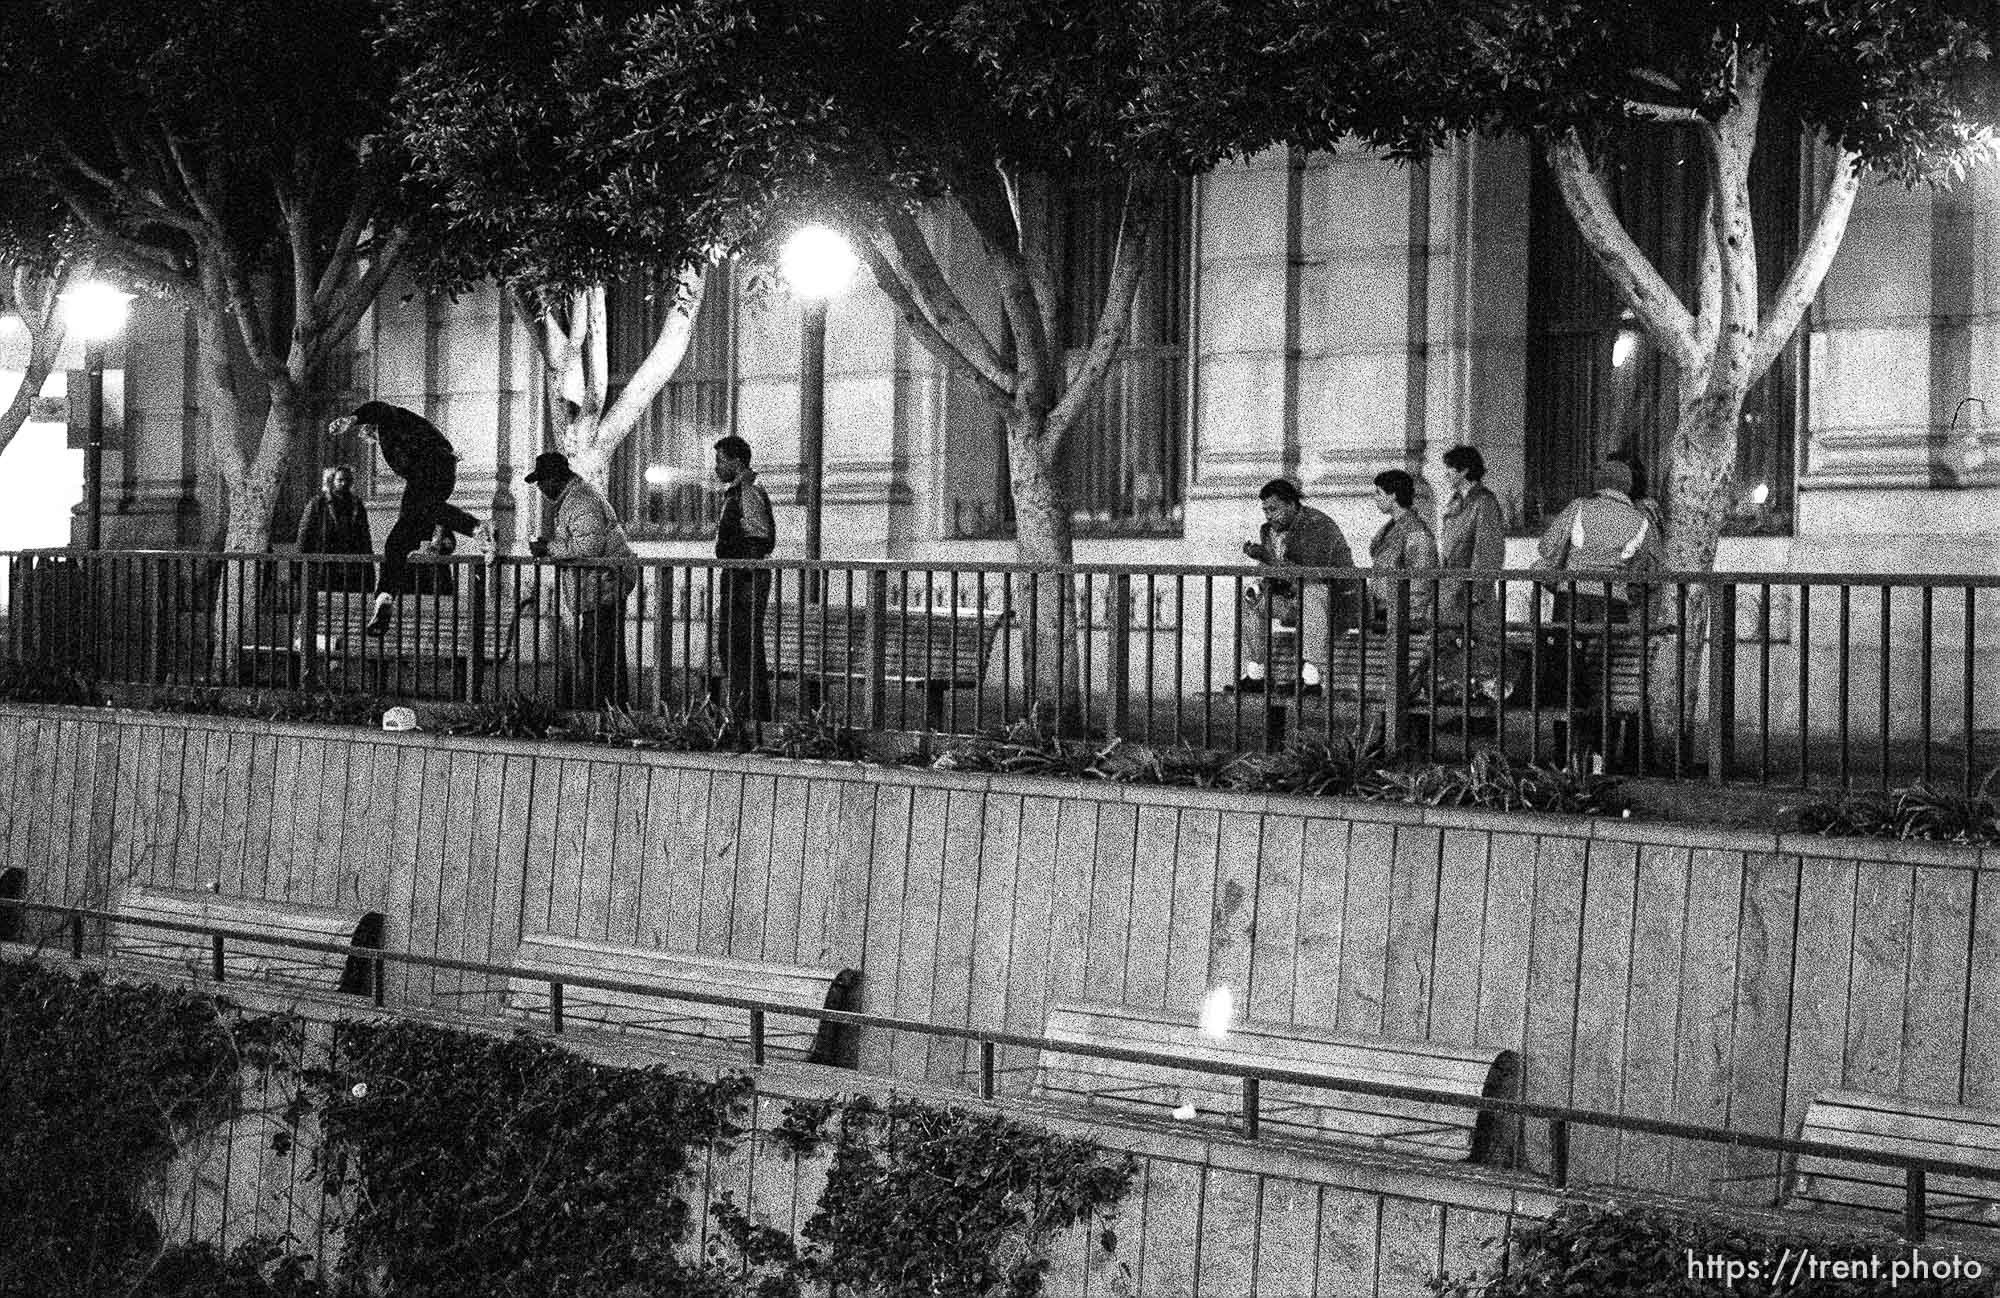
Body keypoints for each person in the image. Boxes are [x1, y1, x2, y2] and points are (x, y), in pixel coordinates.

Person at [325, 400, 494, 635]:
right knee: (398, 540)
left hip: (433, 467)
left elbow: (379, 408)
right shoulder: (393, 438)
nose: (369, 437)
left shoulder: (391, 421)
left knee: (426, 508)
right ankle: (384, 598)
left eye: (368, 432)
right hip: (425, 476)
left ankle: (477, 527)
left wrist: (351, 420)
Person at [526, 450, 636, 709]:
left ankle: (601, 709)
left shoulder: (580, 501)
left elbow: (589, 548)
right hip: (601, 585)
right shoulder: (575, 498)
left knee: (599, 651)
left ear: (556, 478)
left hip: (602, 585)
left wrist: (549, 548)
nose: (540, 488)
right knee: (602, 650)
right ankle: (608, 707)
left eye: (542, 481)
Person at [1235, 478, 1355, 694]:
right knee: (1250, 598)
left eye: (1274, 509)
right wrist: (1262, 582)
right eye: (1265, 510)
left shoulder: (1317, 525)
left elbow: (1313, 575)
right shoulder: (1269, 530)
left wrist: (1269, 559)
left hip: (1334, 600)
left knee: (1312, 591)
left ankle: (1312, 678)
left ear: (1291, 504)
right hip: (1294, 598)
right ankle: (1256, 672)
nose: (1269, 516)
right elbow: (1276, 570)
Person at [1535, 458, 1666, 622]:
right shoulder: (1642, 521)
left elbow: (1547, 547)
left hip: (1571, 598)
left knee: (1565, 645)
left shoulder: (1578, 506)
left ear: (1598, 483)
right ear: (1628, 486)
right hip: (1614, 603)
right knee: (1607, 647)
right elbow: (1649, 570)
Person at [712, 434, 776, 719]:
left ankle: (746, 713)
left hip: (744, 580)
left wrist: (743, 572)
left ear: (737, 462)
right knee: (738, 646)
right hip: (742, 577)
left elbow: (759, 536)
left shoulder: (747, 492)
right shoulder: (741, 491)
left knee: (739, 647)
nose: (716, 468)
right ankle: (747, 711)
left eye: (720, 461)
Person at [1367, 468, 1439, 627]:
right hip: (1386, 615)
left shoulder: (1416, 532)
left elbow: (1421, 583)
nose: (1375, 498)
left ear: (1392, 495)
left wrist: (1405, 618)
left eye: (1378, 493)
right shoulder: (1392, 527)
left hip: (1404, 621)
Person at [294, 464, 373, 593]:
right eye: (340, 480)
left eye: (347, 480)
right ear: (332, 481)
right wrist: (297, 566)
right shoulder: (318, 503)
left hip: (351, 565)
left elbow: (365, 537)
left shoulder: (357, 505)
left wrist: (368, 568)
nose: (344, 484)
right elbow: (304, 534)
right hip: (325, 563)